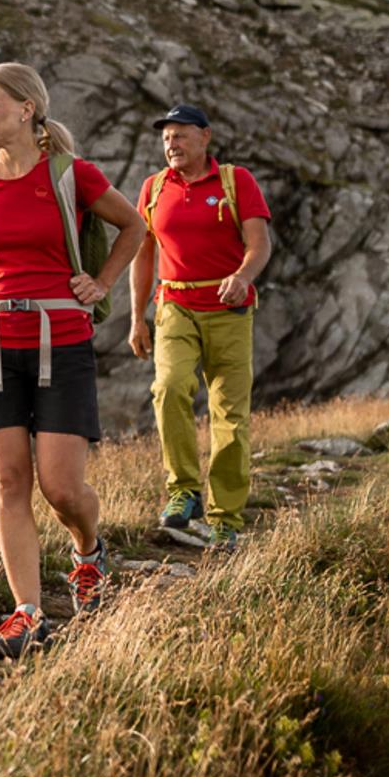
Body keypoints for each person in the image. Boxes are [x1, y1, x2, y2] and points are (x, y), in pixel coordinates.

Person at [0, 63, 146, 657]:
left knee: (61, 486)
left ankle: (88, 552)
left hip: (62, 338)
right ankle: (26, 613)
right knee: (8, 480)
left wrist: (101, 283)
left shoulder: (72, 175)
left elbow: (134, 226)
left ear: (27, 109)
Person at [127, 104, 273, 551]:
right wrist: (137, 317)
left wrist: (243, 277)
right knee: (169, 388)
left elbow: (259, 244)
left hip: (229, 310)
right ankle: (183, 491)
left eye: (181, 135)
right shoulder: (153, 188)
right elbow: (142, 253)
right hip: (174, 306)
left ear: (205, 137)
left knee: (229, 415)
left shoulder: (235, 181)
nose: (172, 144)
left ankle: (226, 517)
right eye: (166, 137)